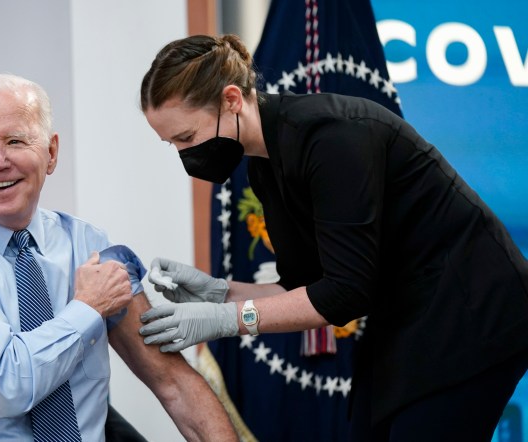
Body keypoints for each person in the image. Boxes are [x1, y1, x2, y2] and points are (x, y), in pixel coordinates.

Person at [137, 34, 528, 441]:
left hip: (474, 311)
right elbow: (305, 287)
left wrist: (225, 321)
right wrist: (219, 292)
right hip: (410, 314)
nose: (185, 154)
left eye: (186, 137)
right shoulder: (264, 165)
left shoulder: (332, 137)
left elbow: (345, 294)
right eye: (173, 144)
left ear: (232, 99)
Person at [0, 73, 238, 441]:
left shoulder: (89, 246)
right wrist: (88, 307)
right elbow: (8, 384)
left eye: (15, 140)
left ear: (51, 153)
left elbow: (173, 383)